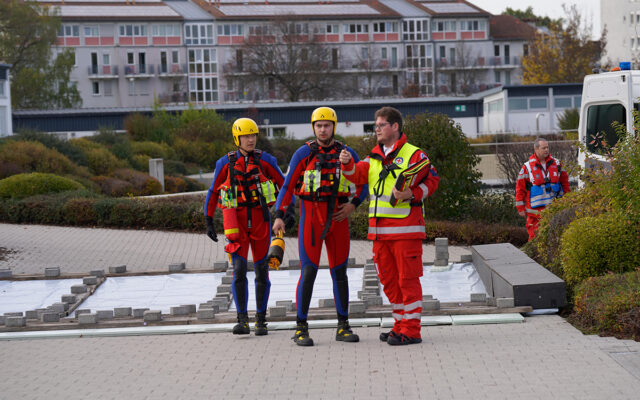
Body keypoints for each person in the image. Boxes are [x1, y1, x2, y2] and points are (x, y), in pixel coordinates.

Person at [339, 106, 439, 346]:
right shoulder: (373, 157)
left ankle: (412, 331)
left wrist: (411, 194)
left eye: (381, 125)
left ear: (395, 127)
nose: (377, 130)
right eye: (375, 127)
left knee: (408, 280)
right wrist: (346, 163)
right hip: (379, 235)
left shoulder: (415, 155)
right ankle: (400, 325)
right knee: (390, 282)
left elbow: (432, 181)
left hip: (406, 232)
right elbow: (356, 174)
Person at [272, 106, 368, 347]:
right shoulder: (302, 154)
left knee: (339, 272)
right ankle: (301, 328)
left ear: (333, 127)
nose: (322, 129)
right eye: (318, 125)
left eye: (326, 125)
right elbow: (287, 186)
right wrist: (280, 215)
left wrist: (353, 205)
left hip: (338, 218)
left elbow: (364, 182)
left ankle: (343, 327)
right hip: (311, 220)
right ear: (313, 127)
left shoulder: (347, 153)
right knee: (309, 271)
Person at [204, 117, 286, 336]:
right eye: (246, 136)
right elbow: (213, 191)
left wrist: (284, 212)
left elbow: (284, 185)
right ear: (236, 138)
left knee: (262, 272)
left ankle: (261, 319)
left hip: (260, 223)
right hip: (236, 226)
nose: (250, 140)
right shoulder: (225, 163)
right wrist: (208, 219)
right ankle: (242, 320)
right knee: (239, 271)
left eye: (253, 135)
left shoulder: (266, 160)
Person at [515, 138, 570, 240]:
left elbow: (565, 183)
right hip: (535, 212)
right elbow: (520, 188)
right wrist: (520, 208)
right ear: (536, 149)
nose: (546, 150)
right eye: (543, 148)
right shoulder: (527, 167)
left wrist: (568, 199)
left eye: (547, 147)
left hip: (554, 208)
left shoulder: (557, 163)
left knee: (555, 236)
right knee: (534, 237)